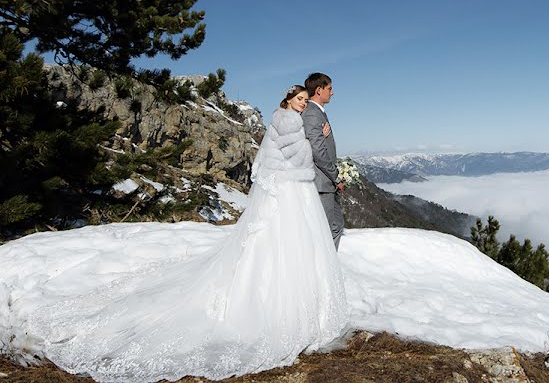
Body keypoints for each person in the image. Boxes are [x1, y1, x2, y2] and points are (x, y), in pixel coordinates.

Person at [24, 85, 349, 383]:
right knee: (287, 243)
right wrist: (317, 137)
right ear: (288, 101)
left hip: (290, 190)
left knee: (277, 242)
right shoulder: (289, 122)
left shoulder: (283, 119)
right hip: (292, 189)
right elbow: (297, 157)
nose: (303, 104)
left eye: (305, 100)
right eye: (299, 100)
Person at [301, 72, 344, 250]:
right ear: (319, 90)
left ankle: (327, 267)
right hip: (321, 182)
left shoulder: (317, 113)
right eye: (329, 88)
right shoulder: (312, 114)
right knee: (325, 230)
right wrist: (336, 176)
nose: (332, 92)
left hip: (325, 181)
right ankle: (323, 270)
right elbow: (317, 151)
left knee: (336, 225)